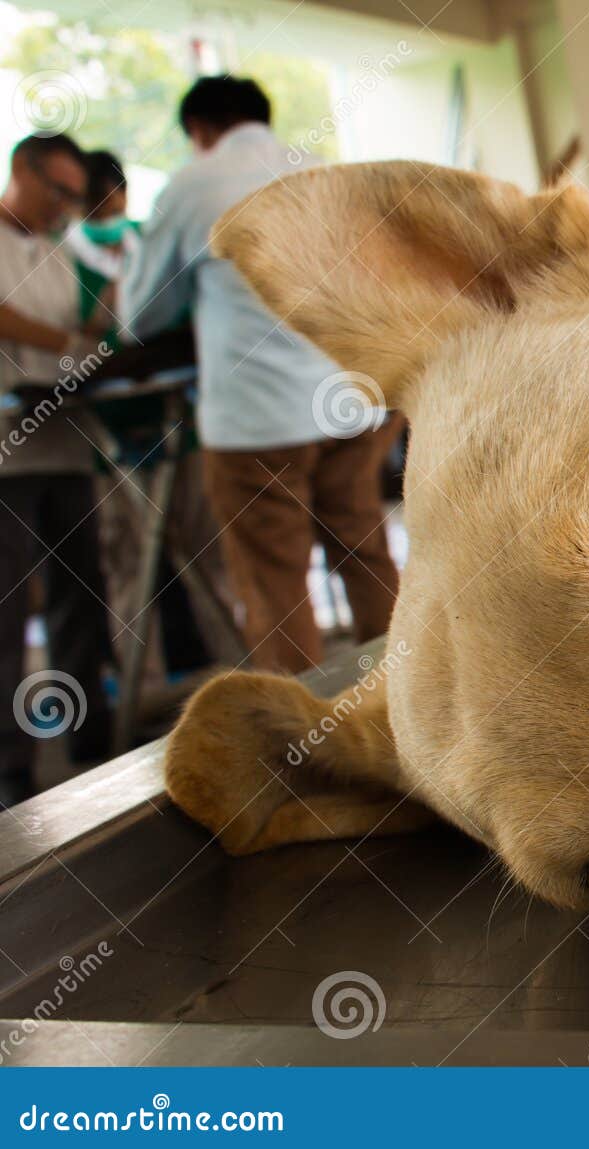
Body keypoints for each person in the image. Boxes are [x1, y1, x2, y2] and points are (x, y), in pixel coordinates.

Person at [121, 76, 401, 673]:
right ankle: (402, 698)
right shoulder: (326, 172)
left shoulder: (192, 186)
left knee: (275, 579)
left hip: (258, 419)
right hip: (353, 399)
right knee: (364, 551)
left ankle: (304, 735)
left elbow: (142, 315)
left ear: (199, 130)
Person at [0, 133, 114, 806]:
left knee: (81, 592)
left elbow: (82, 323)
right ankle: (11, 764)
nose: (68, 205)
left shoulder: (60, 250)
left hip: (64, 439)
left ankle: (89, 734)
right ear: (22, 171)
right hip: (7, 453)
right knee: (8, 612)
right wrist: (68, 342)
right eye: (59, 192)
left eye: (77, 196)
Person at [65, 150, 141, 332]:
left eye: (114, 212)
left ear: (125, 194)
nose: (106, 223)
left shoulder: (148, 237)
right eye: (94, 217)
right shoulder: (61, 255)